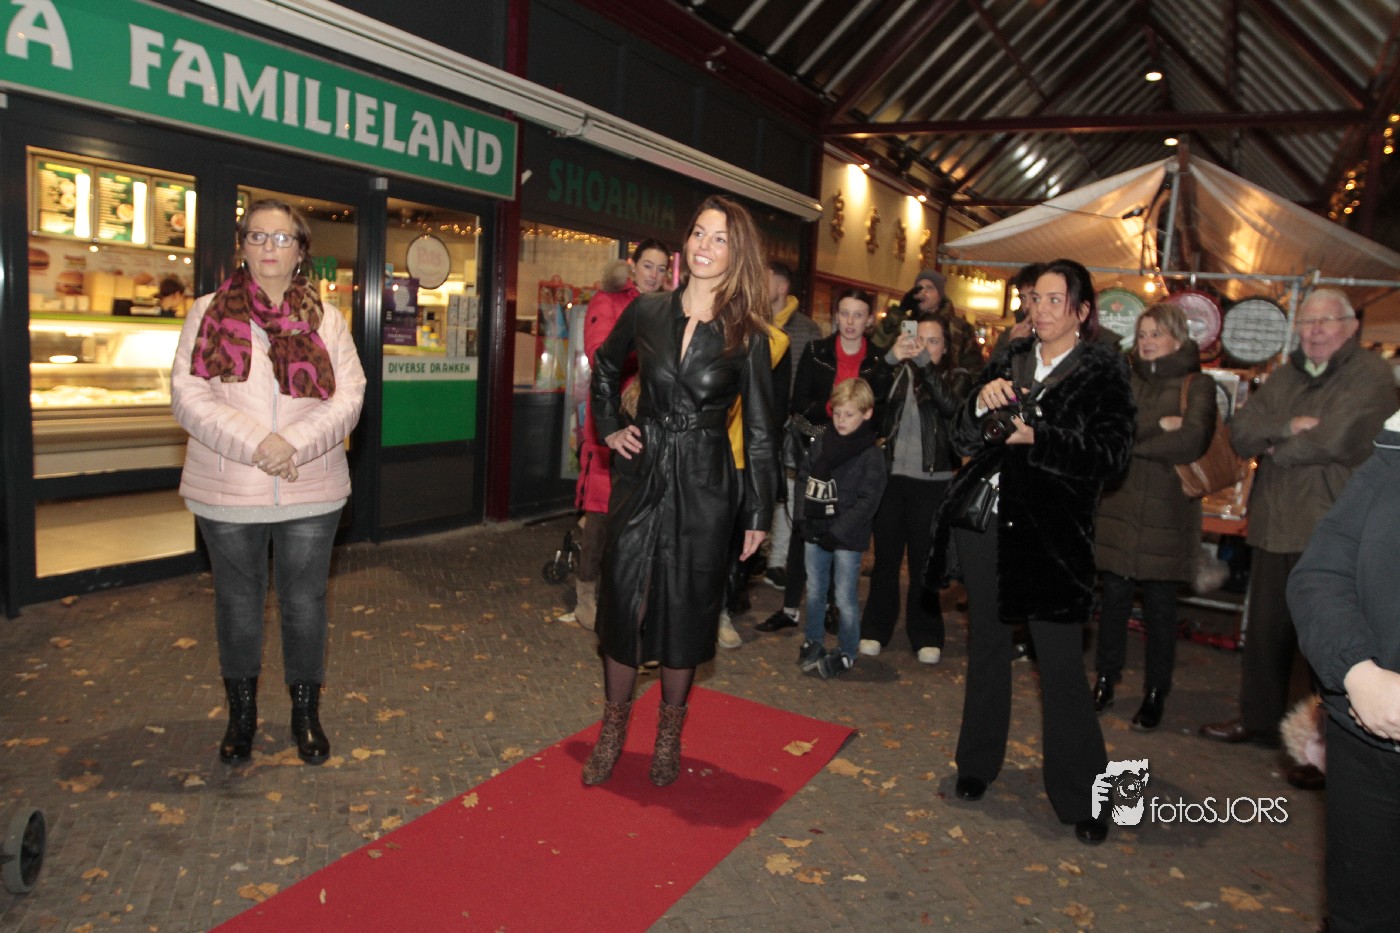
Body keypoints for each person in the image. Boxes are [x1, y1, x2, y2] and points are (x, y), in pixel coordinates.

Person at [934, 258, 1135, 845]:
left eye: (1053, 300)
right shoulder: (1011, 357)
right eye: (1034, 299)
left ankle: (1085, 796)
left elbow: (1112, 455)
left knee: (1061, 666)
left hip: (1054, 536)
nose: (1039, 310)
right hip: (988, 526)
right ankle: (976, 764)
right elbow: (961, 438)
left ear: (1082, 310)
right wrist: (979, 404)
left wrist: (1039, 438)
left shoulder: (1103, 370)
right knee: (988, 649)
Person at [582, 194, 777, 787]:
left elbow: (762, 432)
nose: (704, 246)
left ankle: (668, 733)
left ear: (737, 253)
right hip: (641, 473)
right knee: (623, 598)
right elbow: (605, 366)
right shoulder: (647, 310)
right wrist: (610, 426)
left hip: (705, 482)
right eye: (698, 233)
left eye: (720, 238)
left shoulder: (750, 334)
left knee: (685, 608)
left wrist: (759, 512)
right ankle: (613, 728)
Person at [171, 198, 366, 766]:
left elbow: (349, 397)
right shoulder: (207, 312)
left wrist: (292, 446)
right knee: (237, 604)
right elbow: (188, 396)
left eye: (282, 238)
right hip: (229, 487)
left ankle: (305, 714)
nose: (269, 247)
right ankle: (242, 717)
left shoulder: (327, 319)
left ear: (301, 250)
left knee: (305, 604)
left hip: (311, 486)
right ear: (243, 246)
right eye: (257, 236)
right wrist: (258, 444)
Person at [1200, 289, 1394, 788]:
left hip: (1331, 528)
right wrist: (1288, 425)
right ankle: (1260, 720)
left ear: (1351, 326)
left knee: (1327, 642)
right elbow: (1242, 432)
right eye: (1307, 322)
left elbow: (1339, 438)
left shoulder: (1370, 375)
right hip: (1274, 522)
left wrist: (1277, 446)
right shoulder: (1287, 375)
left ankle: (1323, 745)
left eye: (1326, 320)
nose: (1315, 330)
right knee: (1266, 633)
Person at [1288, 411, 1400, 933]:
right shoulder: (1393, 458)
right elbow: (1320, 572)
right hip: (1366, 746)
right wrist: (1356, 671)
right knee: (1360, 914)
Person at [1092, 304, 1216, 731]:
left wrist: (1131, 446)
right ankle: (1105, 680)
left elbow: (1193, 440)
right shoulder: (1124, 379)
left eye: (1156, 334)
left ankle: (1155, 692)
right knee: (1113, 602)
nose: (1146, 342)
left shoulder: (1198, 385)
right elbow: (1108, 429)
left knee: (1161, 611)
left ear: (1178, 340)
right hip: (1119, 508)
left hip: (1168, 513)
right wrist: (1161, 426)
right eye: (1142, 334)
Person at [756, 288, 890, 635]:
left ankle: (832, 607)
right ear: (835, 316)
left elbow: (881, 414)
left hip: (856, 457)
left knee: (841, 532)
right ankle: (790, 607)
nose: (850, 321)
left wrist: (854, 429)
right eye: (844, 313)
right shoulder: (817, 351)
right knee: (803, 531)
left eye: (858, 314)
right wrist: (834, 412)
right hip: (816, 449)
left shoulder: (879, 360)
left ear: (869, 320)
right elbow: (799, 404)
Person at [562, 239, 670, 630]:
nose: (654, 275)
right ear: (633, 265)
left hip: (652, 422)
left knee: (640, 516)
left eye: (661, 268)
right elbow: (600, 355)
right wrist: (652, 355)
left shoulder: (668, 307)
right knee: (601, 512)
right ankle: (586, 595)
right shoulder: (608, 301)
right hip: (611, 421)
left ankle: (625, 594)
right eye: (648, 266)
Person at [859, 313, 971, 664]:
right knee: (886, 560)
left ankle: (926, 633)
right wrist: (890, 359)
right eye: (919, 339)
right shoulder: (896, 372)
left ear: (945, 347)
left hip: (933, 482)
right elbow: (864, 395)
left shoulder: (956, 376)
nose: (924, 347)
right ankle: (875, 628)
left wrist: (926, 367)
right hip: (891, 478)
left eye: (932, 341)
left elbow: (952, 408)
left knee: (925, 562)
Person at [794, 377, 886, 679]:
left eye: (849, 414)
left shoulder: (871, 454)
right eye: (837, 413)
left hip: (847, 536)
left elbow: (868, 501)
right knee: (815, 590)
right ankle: (814, 639)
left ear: (867, 413)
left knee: (845, 597)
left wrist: (838, 533)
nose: (841, 420)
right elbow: (804, 478)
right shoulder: (822, 442)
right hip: (816, 528)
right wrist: (803, 518)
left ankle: (847, 650)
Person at [761, 260, 822, 592]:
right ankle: (755, 554)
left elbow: (812, 381)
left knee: (787, 490)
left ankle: (777, 561)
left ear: (782, 287)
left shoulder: (806, 329)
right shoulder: (753, 320)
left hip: (792, 422)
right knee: (758, 488)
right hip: (758, 421)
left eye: (766, 279)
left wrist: (799, 419)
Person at [876, 269, 982, 373]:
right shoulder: (909, 323)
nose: (923, 293)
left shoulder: (959, 327)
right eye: (919, 289)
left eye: (929, 288)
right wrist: (900, 310)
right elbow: (878, 345)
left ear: (940, 295)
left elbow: (975, 369)